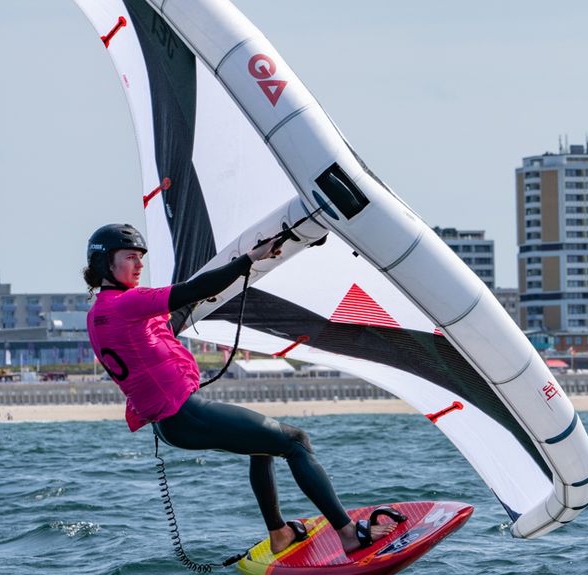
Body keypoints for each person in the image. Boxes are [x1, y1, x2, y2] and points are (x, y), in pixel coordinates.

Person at [82, 223, 398, 555]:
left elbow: (172, 320)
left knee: (261, 446)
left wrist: (223, 284)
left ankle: (280, 533)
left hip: (171, 424)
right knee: (295, 441)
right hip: (185, 414)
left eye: (141, 257)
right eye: (130, 256)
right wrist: (248, 259)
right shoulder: (127, 303)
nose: (139, 264)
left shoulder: (100, 313)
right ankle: (349, 533)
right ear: (105, 264)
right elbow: (191, 290)